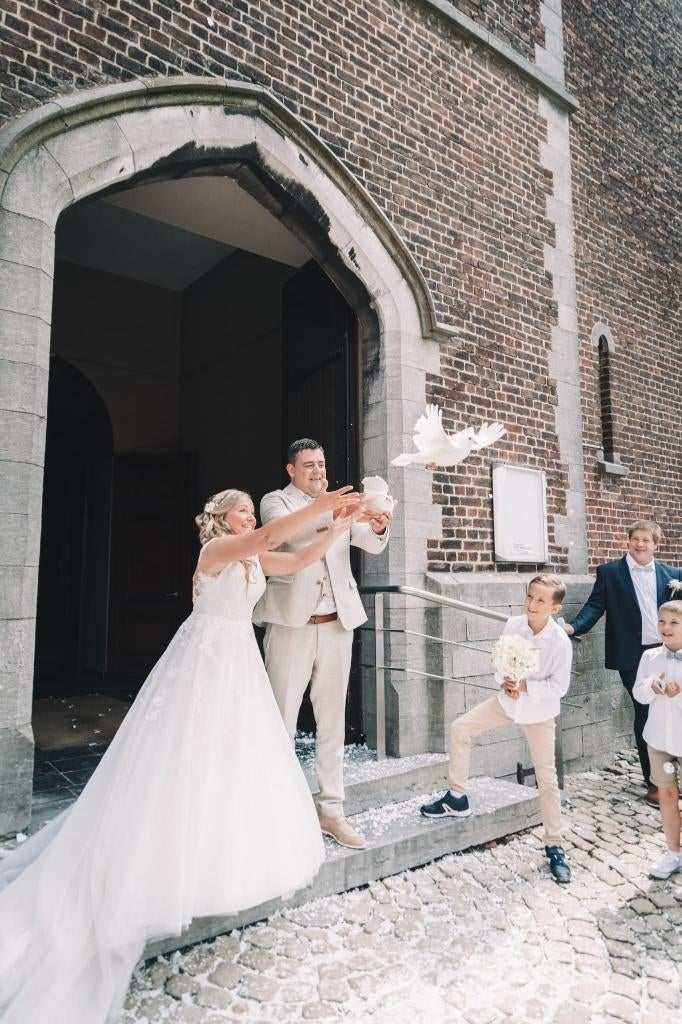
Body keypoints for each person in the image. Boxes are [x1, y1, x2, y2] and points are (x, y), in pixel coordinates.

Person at [0, 483, 361, 1024]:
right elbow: (269, 534)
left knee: (233, 755)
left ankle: (222, 845)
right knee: (187, 751)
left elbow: (299, 557)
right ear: (221, 518)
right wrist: (320, 505)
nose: (247, 513)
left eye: (247, 508)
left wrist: (338, 528)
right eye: (240, 507)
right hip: (206, 659)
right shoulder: (216, 551)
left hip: (237, 659)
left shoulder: (251, 554)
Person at [255, 439, 392, 851]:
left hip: (337, 625)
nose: (317, 470)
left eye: (322, 463)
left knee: (332, 725)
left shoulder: (337, 501)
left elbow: (369, 540)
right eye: (309, 465)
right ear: (291, 470)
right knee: (280, 720)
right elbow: (290, 537)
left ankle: (331, 810)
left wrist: (379, 522)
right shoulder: (274, 501)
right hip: (291, 625)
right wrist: (336, 511)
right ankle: (273, 808)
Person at [420, 574, 573, 884]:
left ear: (554, 609)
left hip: (539, 713)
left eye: (541, 600)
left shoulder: (560, 641)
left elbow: (560, 686)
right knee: (461, 728)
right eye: (530, 596)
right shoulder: (513, 625)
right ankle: (456, 797)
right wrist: (503, 681)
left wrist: (526, 688)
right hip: (507, 702)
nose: (532, 604)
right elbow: (500, 663)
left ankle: (554, 844)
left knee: (547, 778)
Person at [563, 520, 682, 806]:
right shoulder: (610, 573)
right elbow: (595, 605)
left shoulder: (673, 574)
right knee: (646, 709)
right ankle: (654, 781)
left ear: (656, 544)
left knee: (675, 709)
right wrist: (574, 627)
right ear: (628, 541)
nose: (640, 545)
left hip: (670, 650)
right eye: (635, 539)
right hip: (633, 656)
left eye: (646, 540)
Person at [633, 600, 682, 879]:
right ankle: (673, 852)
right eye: (662, 622)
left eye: (674, 623)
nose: (666, 627)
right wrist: (651, 687)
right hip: (659, 740)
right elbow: (639, 695)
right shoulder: (650, 657)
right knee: (666, 795)